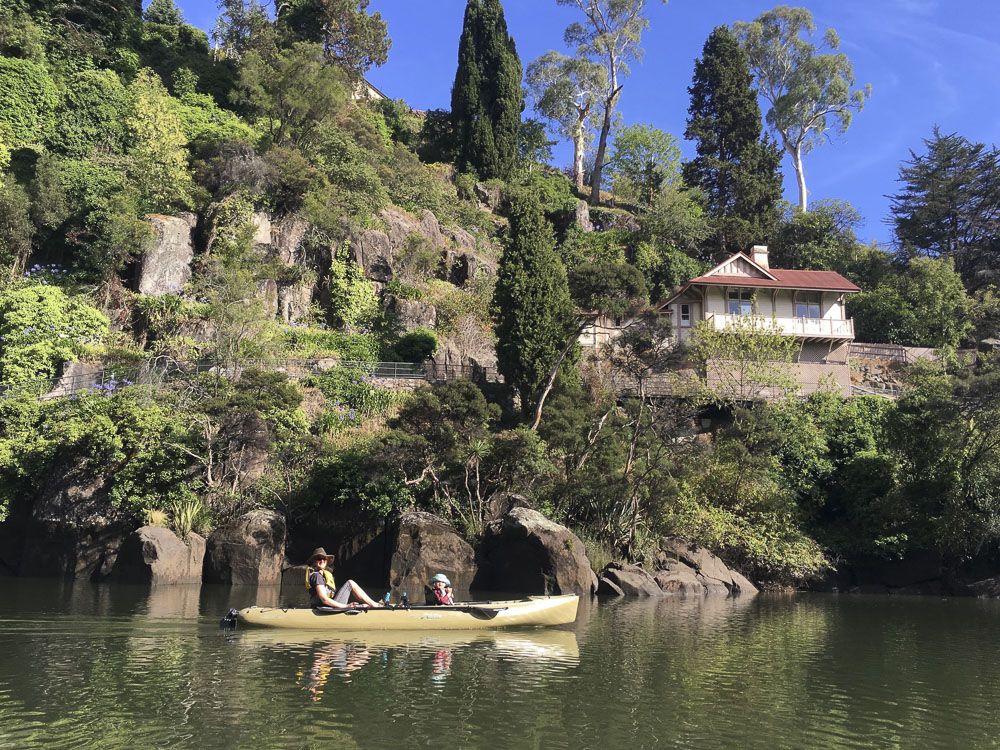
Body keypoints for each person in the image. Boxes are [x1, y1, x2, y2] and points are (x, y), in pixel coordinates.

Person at [305, 548, 382, 610]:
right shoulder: (317, 576)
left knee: (365, 605)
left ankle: (372, 604)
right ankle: (374, 604)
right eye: (319, 559)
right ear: (314, 562)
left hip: (329, 607)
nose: (322, 561)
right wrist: (346, 606)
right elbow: (324, 599)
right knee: (350, 583)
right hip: (325, 609)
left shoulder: (322, 575)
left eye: (324, 559)